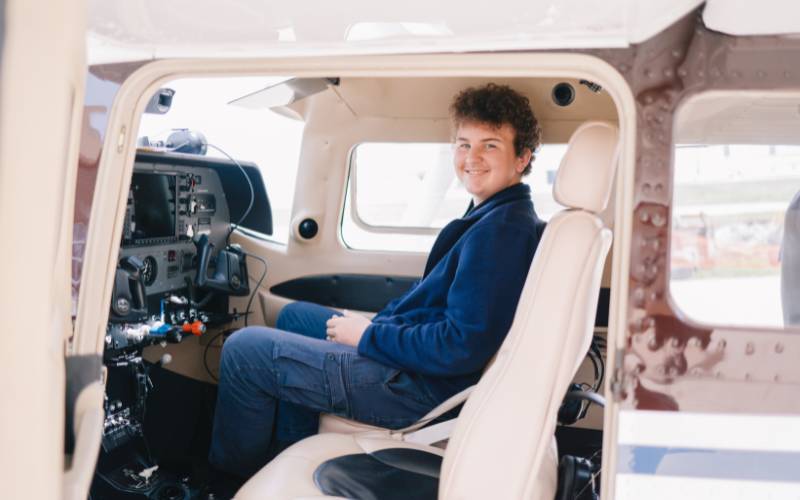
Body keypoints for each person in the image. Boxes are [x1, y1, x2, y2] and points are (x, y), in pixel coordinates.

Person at [208, 83, 545, 485]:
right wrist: (378, 327)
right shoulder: (494, 215)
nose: (471, 158)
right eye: (462, 144)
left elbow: (459, 345)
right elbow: (439, 314)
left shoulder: (502, 232)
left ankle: (227, 485)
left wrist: (368, 336)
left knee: (244, 352)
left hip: (418, 390)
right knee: (296, 316)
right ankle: (286, 455)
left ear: (522, 158)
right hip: (417, 369)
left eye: (490, 146)